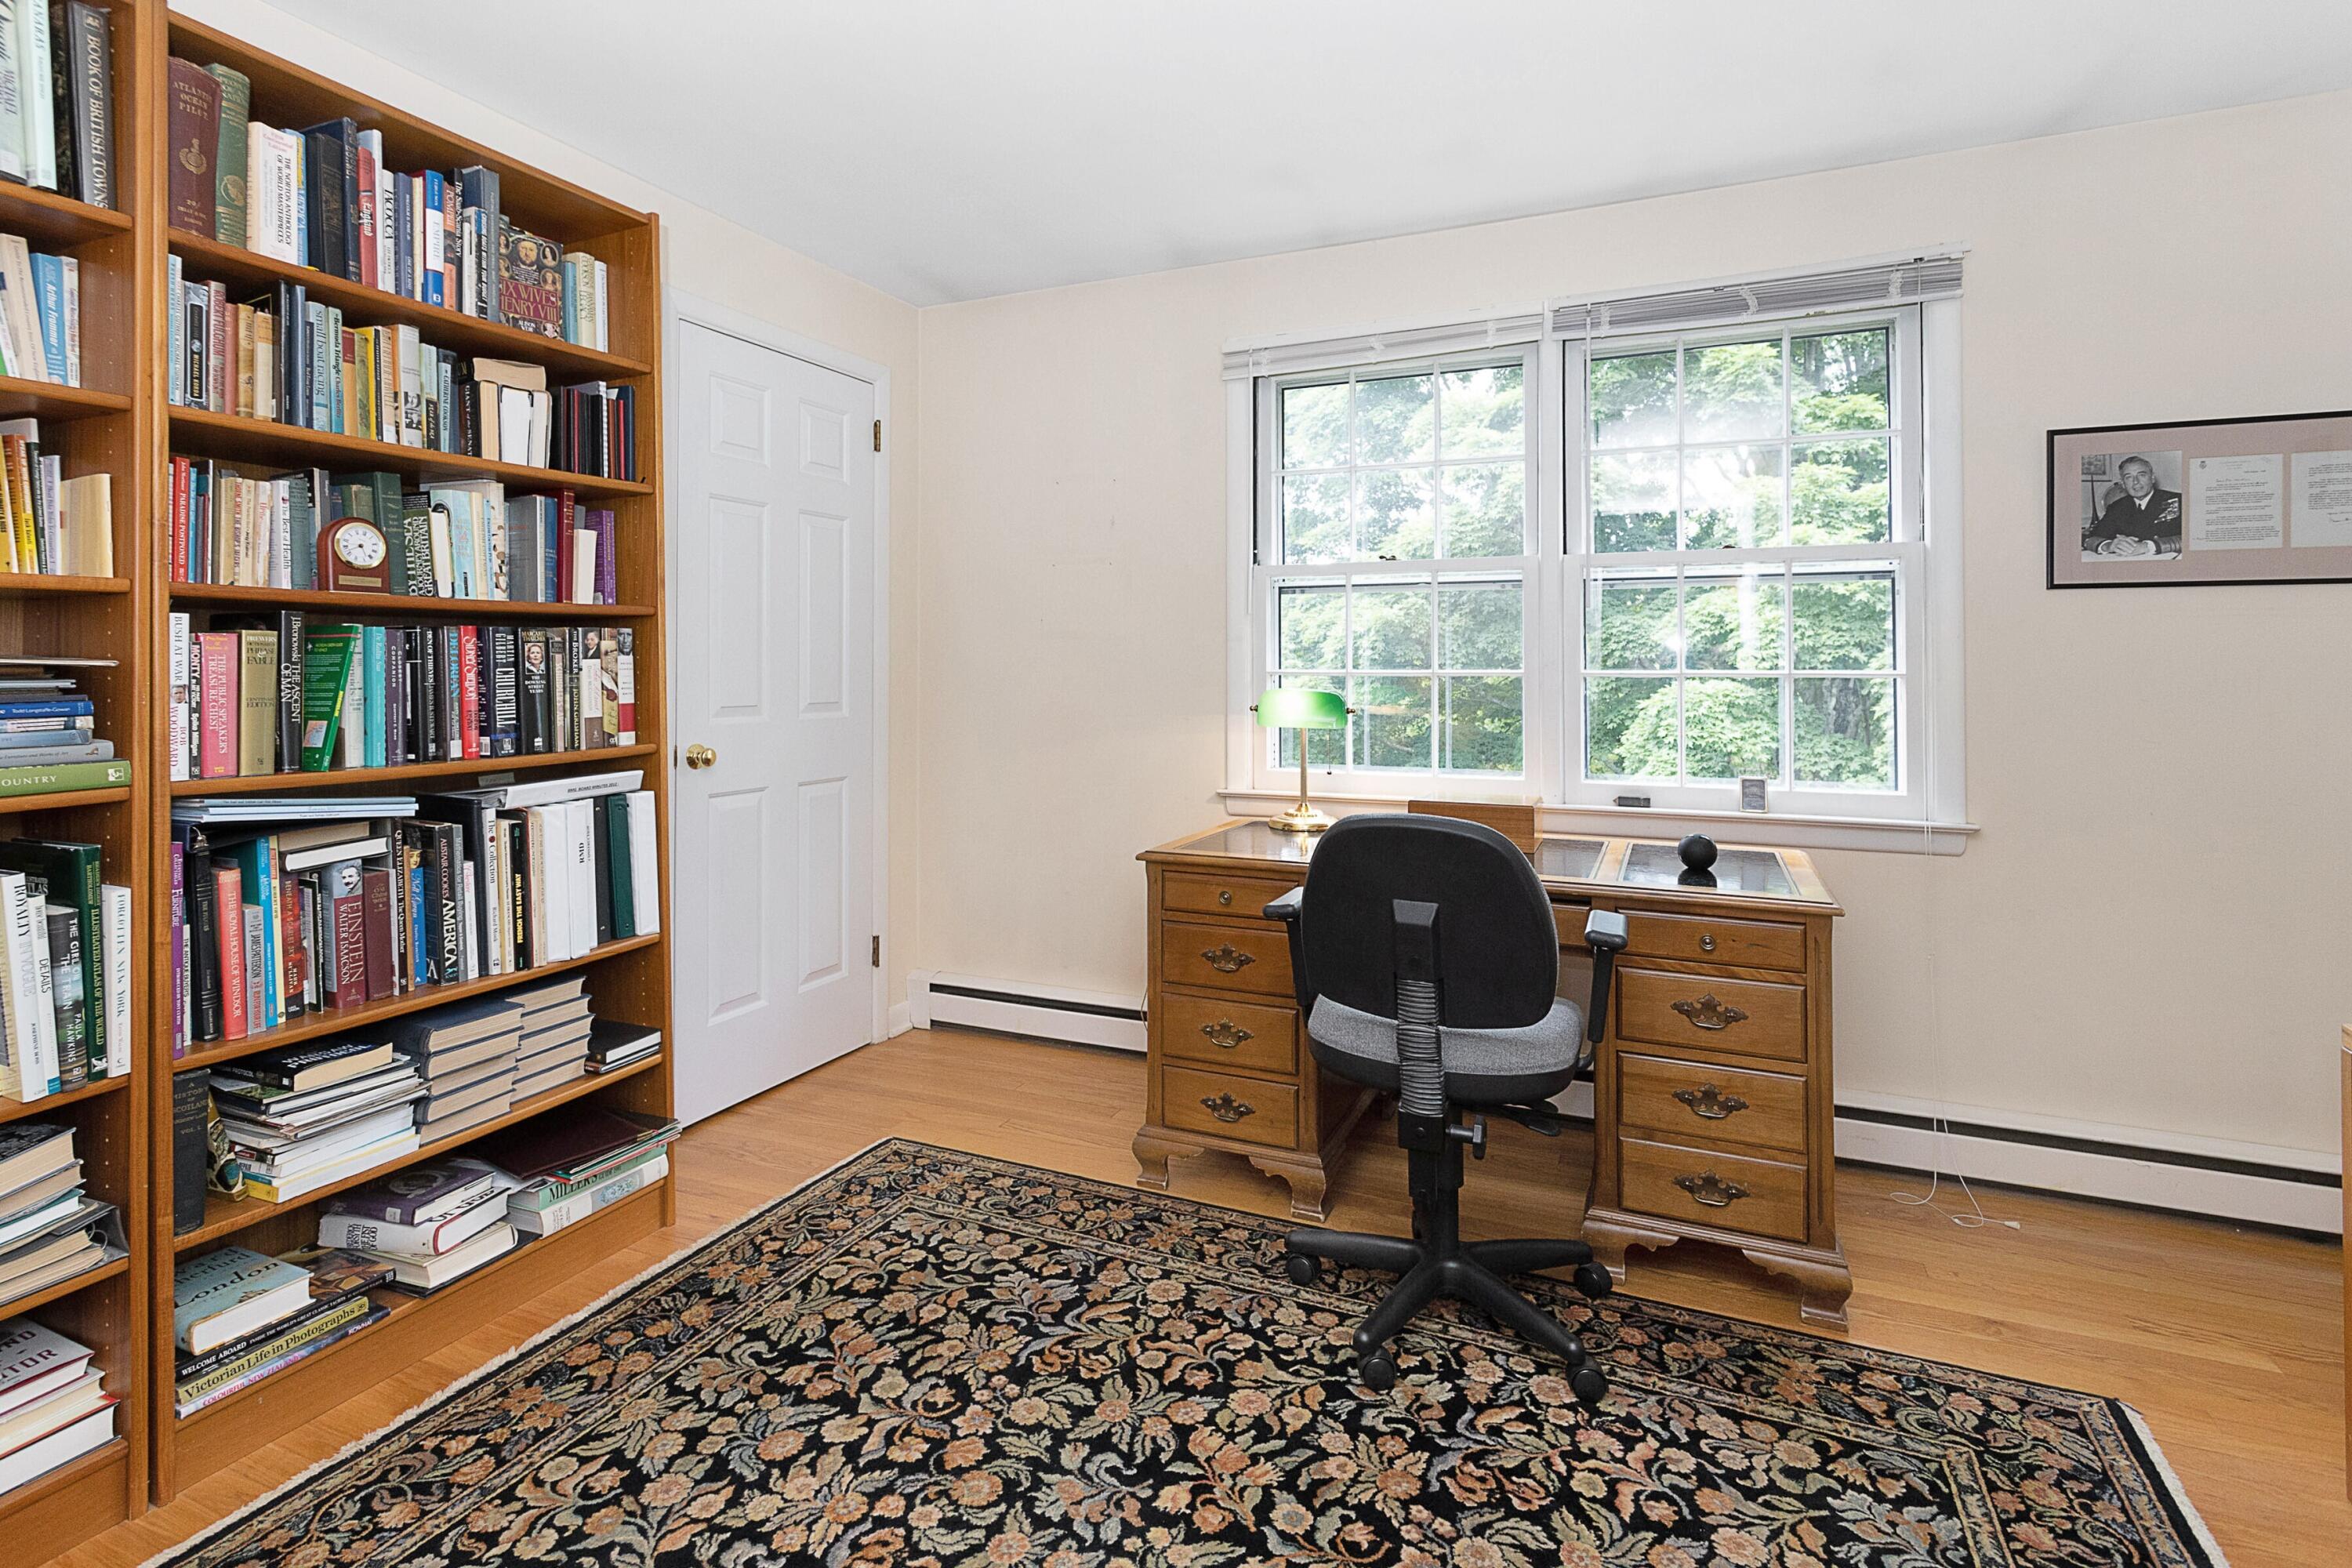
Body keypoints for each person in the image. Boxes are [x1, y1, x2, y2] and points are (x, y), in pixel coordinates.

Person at [2084, 456, 2183, 557]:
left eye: (2141, 475)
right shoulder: (2117, 507)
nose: (2135, 482)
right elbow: (2090, 537)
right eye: (2129, 477)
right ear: (2123, 484)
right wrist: (2108, 545)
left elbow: (2193, 538)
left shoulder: (2178, 500)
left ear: (2152, 478)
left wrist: (2148, 546)